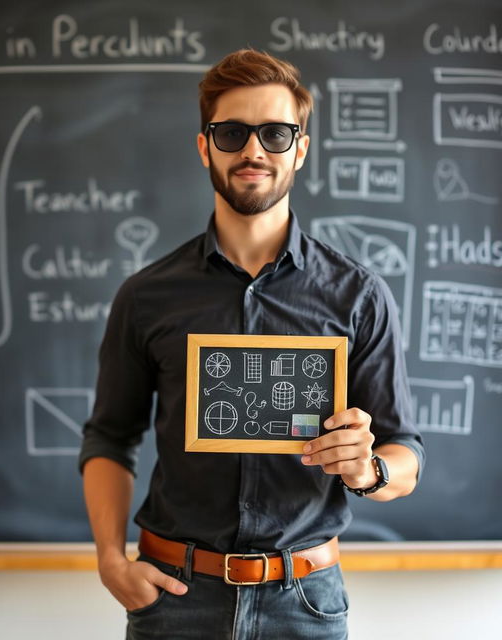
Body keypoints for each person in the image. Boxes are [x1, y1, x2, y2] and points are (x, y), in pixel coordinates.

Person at [79, 48, 425, 640]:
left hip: (305, 600)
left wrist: (366, 469)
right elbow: (110, 436)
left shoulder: (358, 296)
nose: (253, 151)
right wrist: (111, 560)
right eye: (232, 132)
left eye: (275, 133)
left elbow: (405, 453)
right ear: (204, 146)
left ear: (301, 148)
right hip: (174, 595)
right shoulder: (146, 296)